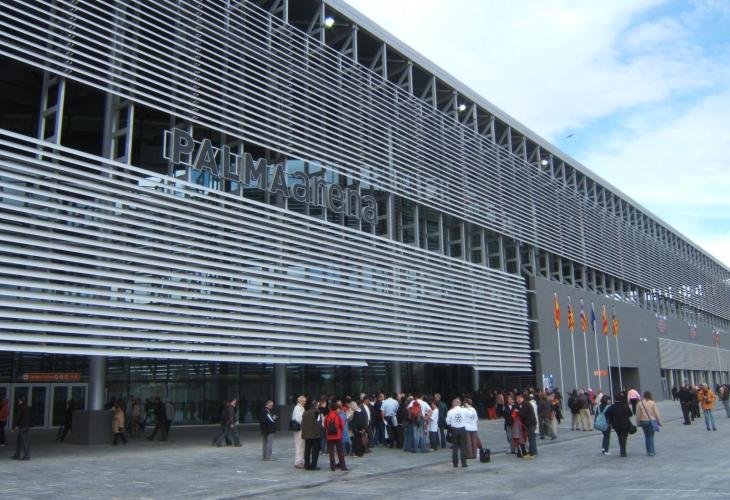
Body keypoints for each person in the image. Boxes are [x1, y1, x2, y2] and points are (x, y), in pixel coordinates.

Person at [604, 393, 633, 457]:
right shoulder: (625, 405)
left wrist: (611, 417)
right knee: (624, 437)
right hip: (625, 424)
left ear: (615, 399)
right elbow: (630, 414)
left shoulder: (613, 406)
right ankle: (623, 451)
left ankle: (622, 450)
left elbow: (606, 413)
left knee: (620, 436)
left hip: (616, 425)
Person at [636, 391, 662, 456]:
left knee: (646, 436)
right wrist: (659, 422)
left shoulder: (640, 403)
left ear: (644, 396)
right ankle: (651, 452)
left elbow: (638, 414)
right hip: (651, 421)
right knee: (651, 436)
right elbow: (656, 413)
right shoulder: (652, 403)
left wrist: (638, 422)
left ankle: (648, 451)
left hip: (643, 421)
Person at [324, 402, 348, 471]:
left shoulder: (327, 416)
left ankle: (332, 467)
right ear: (336, 409)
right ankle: (343, 466)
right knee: (340, 452)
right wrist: (339, 431)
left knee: (331, 453)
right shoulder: (338, 416)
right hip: (338, 436)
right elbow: (342, 426)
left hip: (329, 436)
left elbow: (325, 425)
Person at [445, 398, 467, 468]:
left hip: (454, 429)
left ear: (453, 404)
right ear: (459, 403)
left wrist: (450, 430)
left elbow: (448, 422)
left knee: (455, 447)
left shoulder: (450, 411)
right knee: (463, 447)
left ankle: (455, 464)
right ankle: (464, 463)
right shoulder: (464, 410)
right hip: (462, 429)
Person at [301, 401, 322, 470]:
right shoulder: (317, 412)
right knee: (315, 450)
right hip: (315, 434)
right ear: (316, 406)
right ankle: (313, 465)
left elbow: (303, 423)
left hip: (307, 435)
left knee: (307, 450)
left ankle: (307, 465)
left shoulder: (305, 413)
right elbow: (319, 423)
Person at [291, 395, 306, 469]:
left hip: (302, 429)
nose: (305, 402)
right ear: (300, 401)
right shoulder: (297, 408)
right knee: (299, 446)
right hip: (299, 429)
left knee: (302, 445)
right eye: (304, 401)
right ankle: (298, 462)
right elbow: (299, 419)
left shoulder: (301, 407)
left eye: (305, 401)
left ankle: (301, 461)